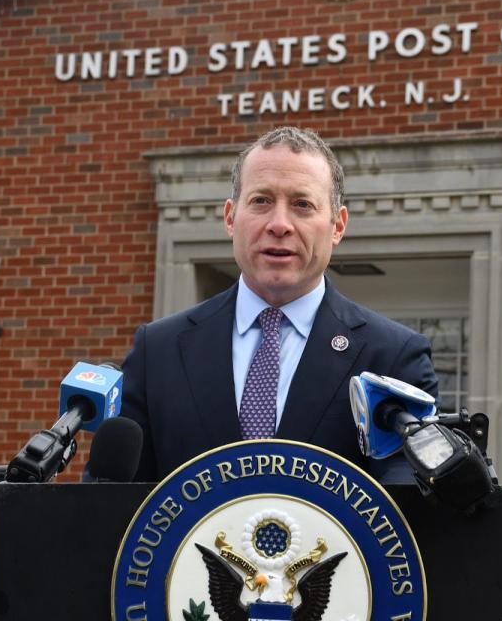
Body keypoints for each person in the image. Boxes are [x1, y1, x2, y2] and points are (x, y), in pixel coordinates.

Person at [121, 127, 438, 481]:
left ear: (337, 225)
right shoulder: (159, 350)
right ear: (230, 217)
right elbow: (117, 502)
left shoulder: (393, 357)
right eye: (261, 201)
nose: (279, 224)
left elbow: (407, 512)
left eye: (302, 205)